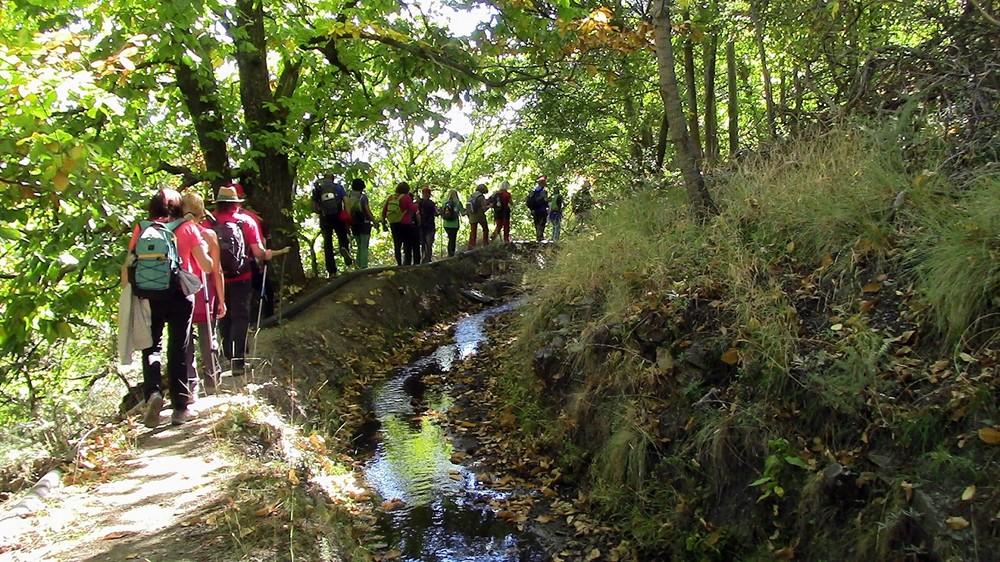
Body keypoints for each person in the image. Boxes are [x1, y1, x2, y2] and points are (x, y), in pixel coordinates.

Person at [122, 188, 213, 427]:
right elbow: (206, 265)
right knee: (178, 347)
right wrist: (208, 250)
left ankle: (153, 393)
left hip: (148, 295)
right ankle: (180, 409)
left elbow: (128, 265)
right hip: (180, 294)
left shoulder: (142, 229)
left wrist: (129, 295)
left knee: (151, 346)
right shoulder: (188, 227)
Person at [213, 184, 276, 378]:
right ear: (236, 203)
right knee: (240, 316)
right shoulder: (245, 221)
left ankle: (227, 356)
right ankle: (238, 362)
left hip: (218, 277)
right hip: (242, 275)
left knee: (223, 314)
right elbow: (257, 252)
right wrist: (268, 255)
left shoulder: (208, 222)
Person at [181, 192, 226, 398]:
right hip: (204, 292)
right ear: (201, 213)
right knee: (209, 336)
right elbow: (216, 270)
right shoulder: (208, 235)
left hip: (182, 291)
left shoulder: (174, 232)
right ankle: (212, 378)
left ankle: (190, 383)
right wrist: (222, 299)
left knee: (185, 339)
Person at [312, 174, 353, 277]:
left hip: (325, 218)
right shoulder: (338, 187)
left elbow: (314, 207)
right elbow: (346, 202)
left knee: (327, 244)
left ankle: (332, 271)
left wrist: (320, 211)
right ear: (333, 178)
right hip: (338, 216)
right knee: (342, 237)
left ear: (324, 178)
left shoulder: (318, 189)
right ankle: (345, 251)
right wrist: (348, 217)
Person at [382, 182, 417, 266]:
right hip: (405, 224)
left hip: (394, 223)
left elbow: (384, 210)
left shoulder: (391, 197)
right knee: (407, 244)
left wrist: (383, 221)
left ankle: (399, 264)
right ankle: (407, 264)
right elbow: (412, 209)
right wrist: (417, 205)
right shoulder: (406, 197)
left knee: (397, 245)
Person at [346, 178, 375, 269]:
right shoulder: (363, 197)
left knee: (359, 245)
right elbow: (367, 210)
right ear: (362, 187)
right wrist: (374, 220)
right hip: (364, 223)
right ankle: (363, 266)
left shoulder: (348, 196)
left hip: (354, 224)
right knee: (364, 246)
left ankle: (358, 266)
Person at [440, 189, 464, 257]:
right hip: (454, 224)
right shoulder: (458, 203)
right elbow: (463, 213)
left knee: (450, 238)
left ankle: (449, 253)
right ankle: (451, 254)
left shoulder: (444, 202)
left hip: (446, 224)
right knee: (452, 239)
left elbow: (442, 212)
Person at [526, 175, 550, 242]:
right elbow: (545, 201)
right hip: (542, 210)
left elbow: (528, 202)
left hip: (535, 210)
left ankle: (538, 236)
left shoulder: (533, 191)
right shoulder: (544, 192)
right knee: (542, 222)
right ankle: (540, 236)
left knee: (537, 223)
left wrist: (531, 209)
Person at [467, 184, 490, 249]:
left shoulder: (471, 196)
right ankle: (485, 244)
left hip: (472, 216)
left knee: (473, 231)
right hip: (480, 216)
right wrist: (490, 206)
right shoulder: (481, 197)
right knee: (485, 229)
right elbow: (484, 208)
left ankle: (471, 246)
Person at [418, 187, 437, 263]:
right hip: (426, 226)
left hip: (427, 226)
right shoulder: (427, 203)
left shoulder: (420, 203)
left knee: (427, 244)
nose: (425, 195)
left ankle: (427, 259)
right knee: (425, 244)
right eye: (424, 193)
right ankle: (425, 259)